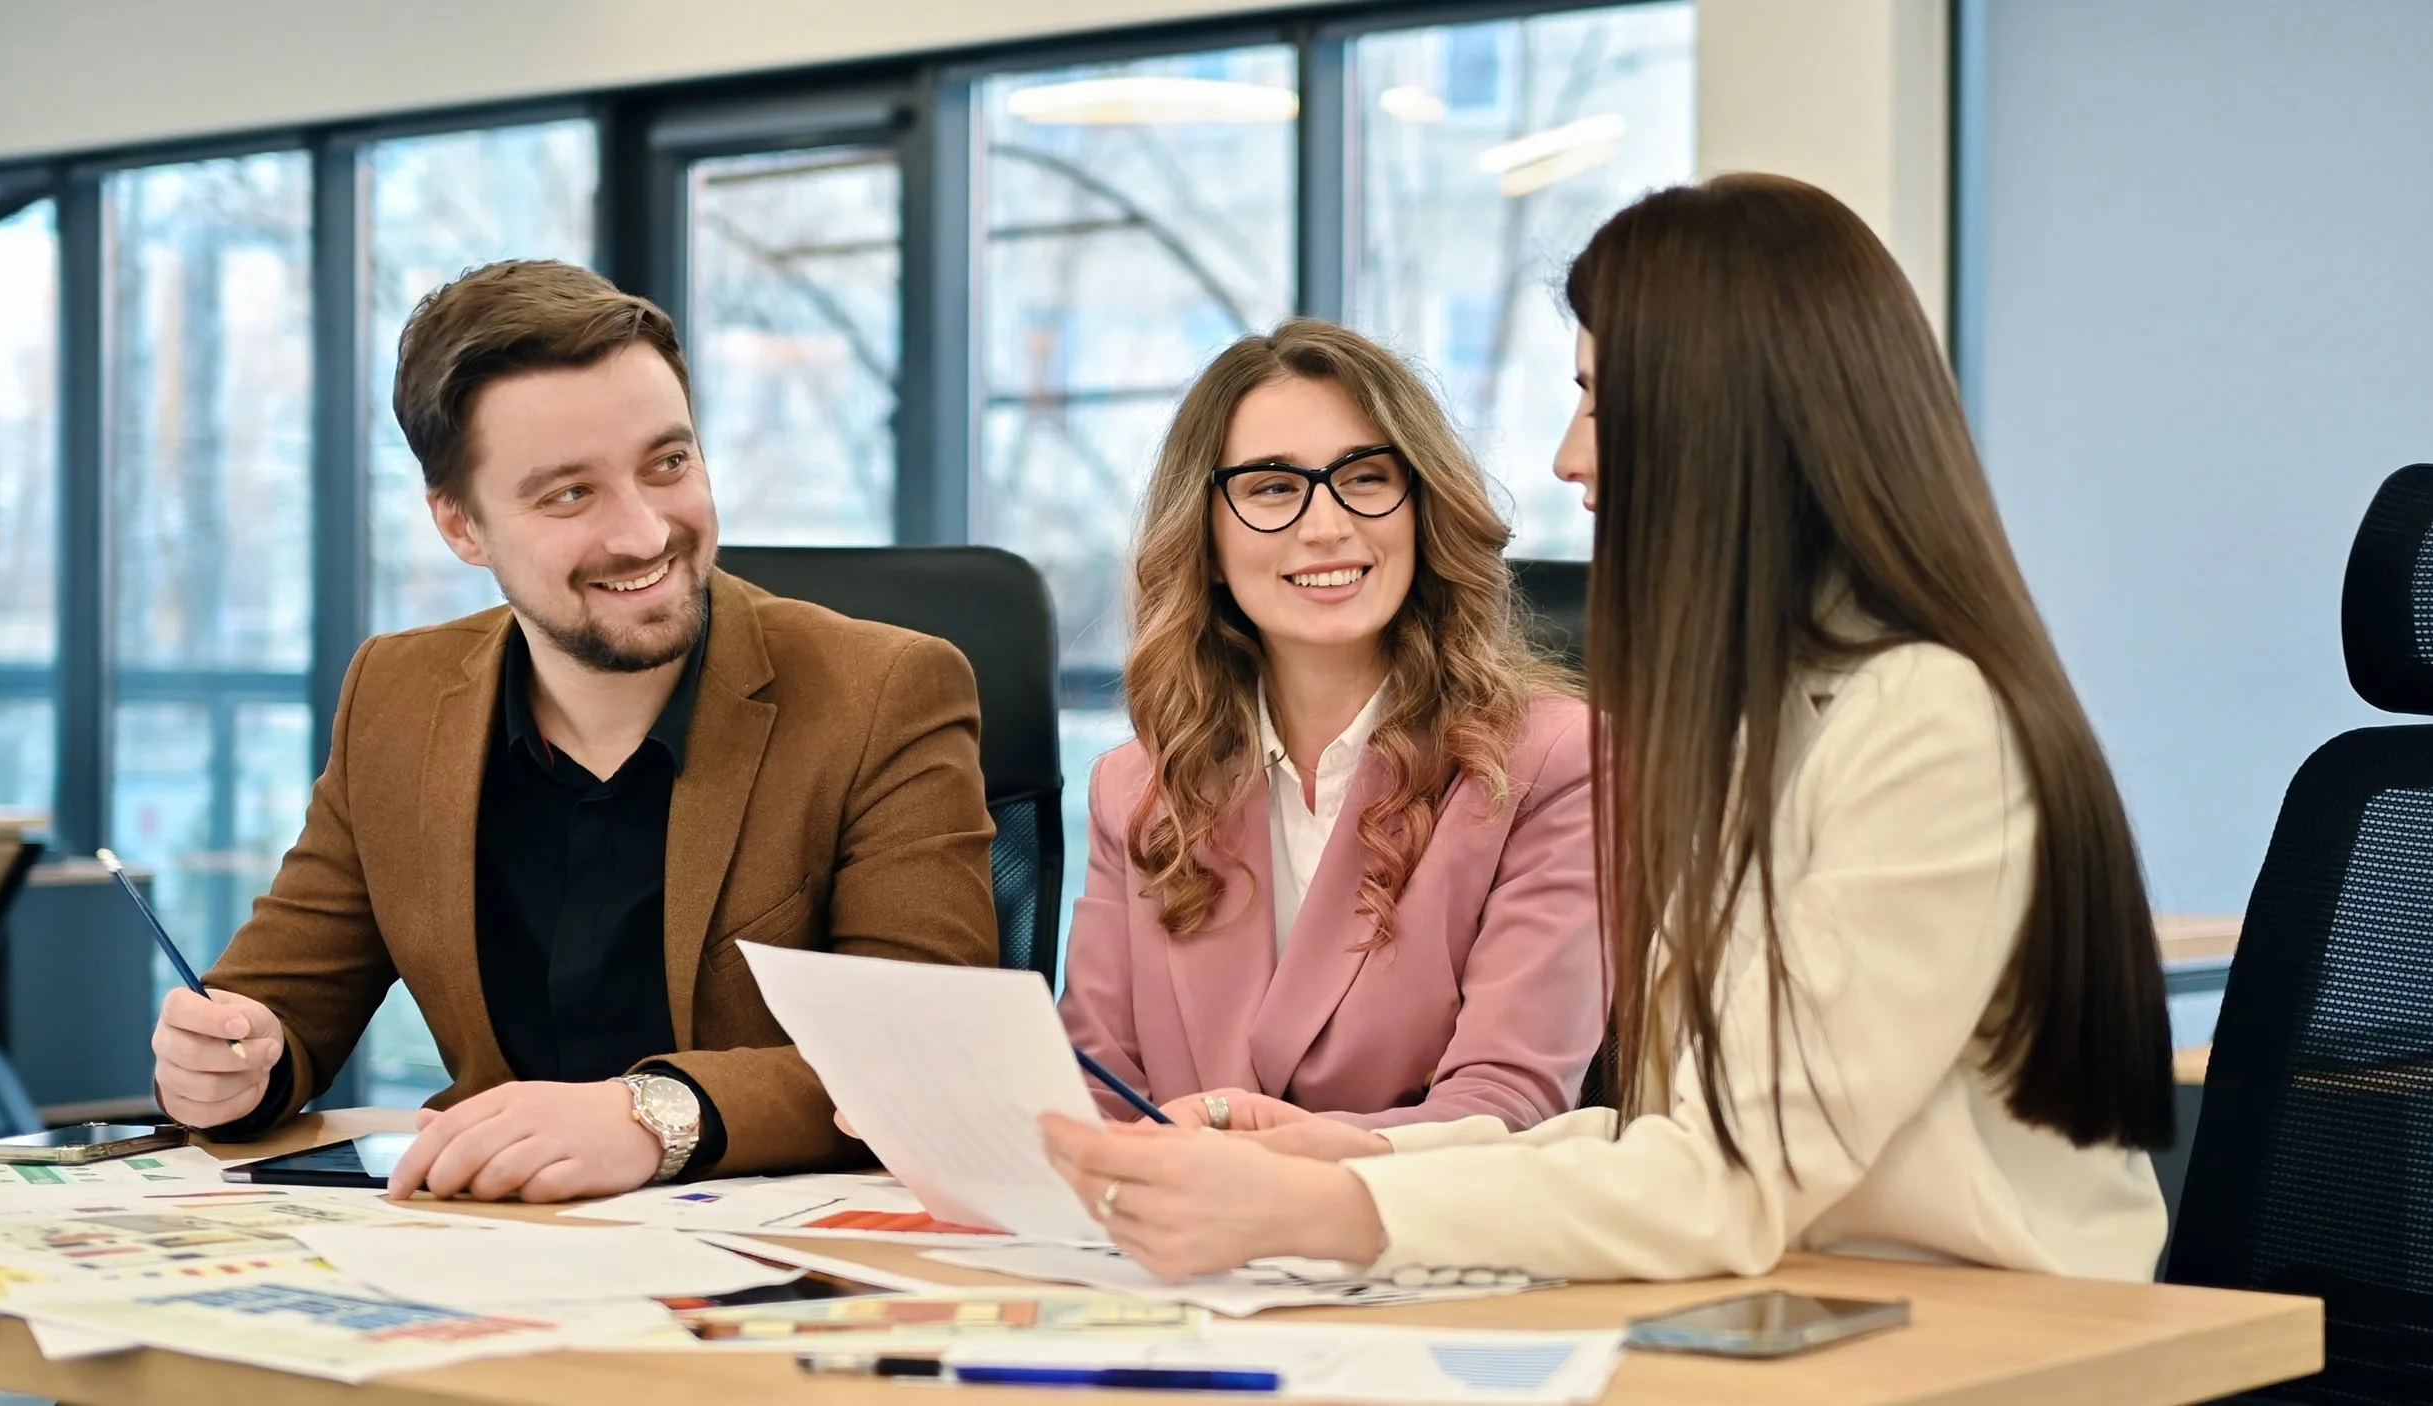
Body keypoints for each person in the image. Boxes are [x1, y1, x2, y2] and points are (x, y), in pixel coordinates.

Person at [1039, 174, 2178, 1285]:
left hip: (1999, 1330)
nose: (1568, 456)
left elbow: (1725, 1178)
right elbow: (1672, 1133)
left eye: (1599, 399)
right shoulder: (1759, 721)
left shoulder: (1924, 723)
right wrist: (1361, 1152)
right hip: (1809, 1301)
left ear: (1727, 423)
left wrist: (1333, 1205)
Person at [147, 260, 997, 1202]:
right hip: (488, 1245)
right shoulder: (397, 693)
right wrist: (229, 1064)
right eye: (569, 494)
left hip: (774, 1266)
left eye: (667, 464)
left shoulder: (883, 692)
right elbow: (280, 1005)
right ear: (461, 526)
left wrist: (653, 1114)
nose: (642, 534)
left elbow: (923, 1059)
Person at [1058, 319, 1604, 1133]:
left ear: (1421, 508)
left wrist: (1246, 1157)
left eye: (1367, 477)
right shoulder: (1136, 790)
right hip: (1176, 1247)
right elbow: (1094, 1092)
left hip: (1418, 1245)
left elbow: (1505, 1103)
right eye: (1272, 488)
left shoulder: (1554, 763)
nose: (1325, 526)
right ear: (1206, 538)